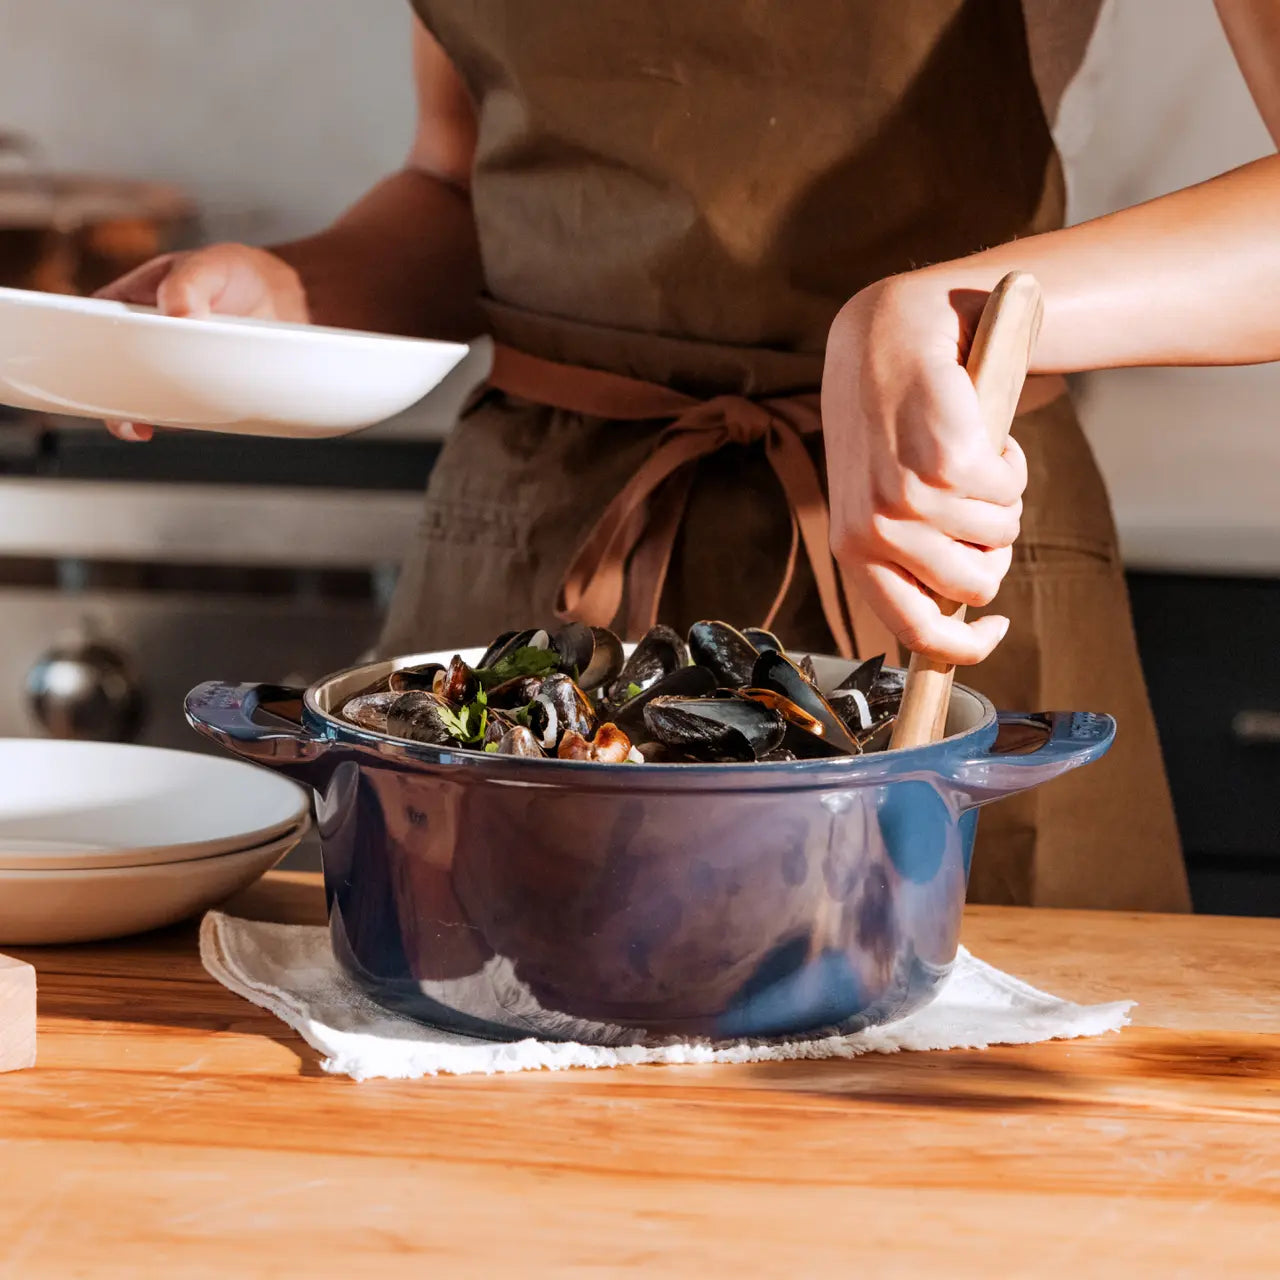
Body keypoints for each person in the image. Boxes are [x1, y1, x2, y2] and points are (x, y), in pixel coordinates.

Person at [101, 1, 1280, 913]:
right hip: (536, 553)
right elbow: (460, 182)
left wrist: (941, 310)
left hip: (927, 544)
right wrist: (293, 290)